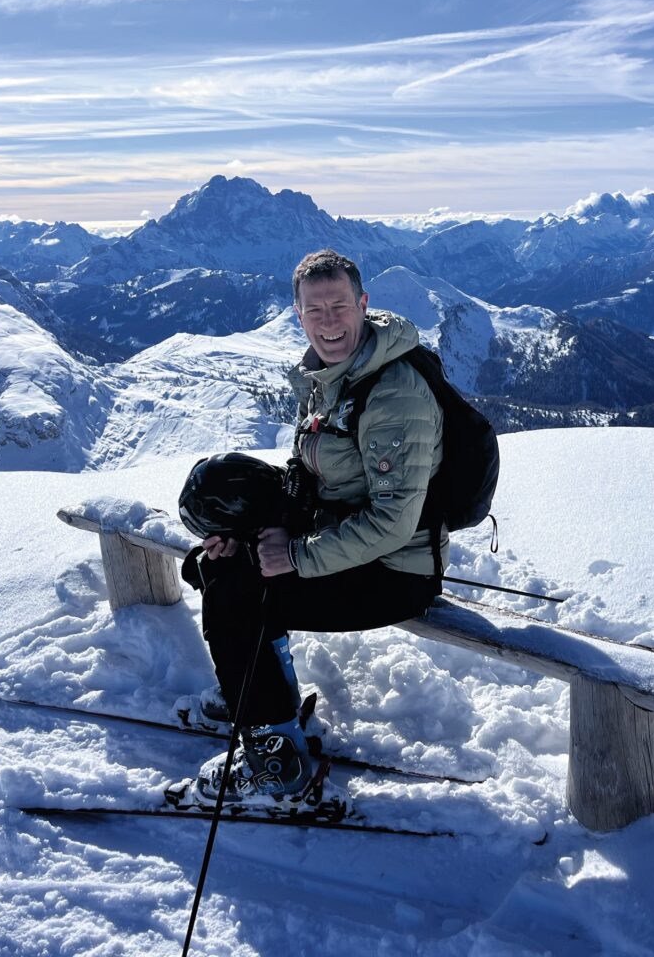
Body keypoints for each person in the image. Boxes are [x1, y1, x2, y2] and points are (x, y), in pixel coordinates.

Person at [168, 249, 448, 816]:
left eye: (339, 305)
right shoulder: (329, 374)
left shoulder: (391, 393)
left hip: (397, 571)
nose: (328, 320)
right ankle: (263, 693)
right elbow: (313, 472)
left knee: (236, 593)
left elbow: (393, 523)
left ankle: (278, 765)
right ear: (298, 314)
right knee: (219, 561)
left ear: (363, 305)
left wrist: (295, 555)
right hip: (345, 541)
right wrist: (255, 530)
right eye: (314, 309)